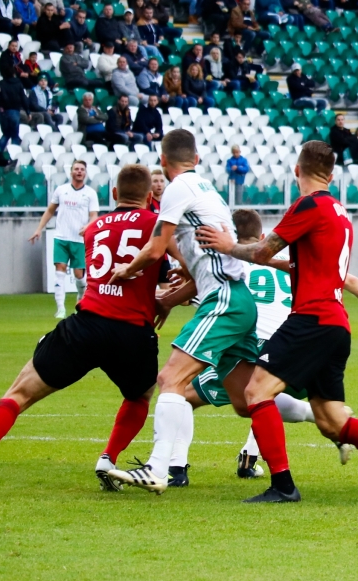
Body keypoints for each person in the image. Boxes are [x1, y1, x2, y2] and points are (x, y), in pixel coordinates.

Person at [185, 140, 358, 503]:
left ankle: (282, 485)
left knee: (256, 392)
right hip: (335, 324)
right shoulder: (338, 212)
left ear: (297, 170)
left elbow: (261, 250)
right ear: (332, 174)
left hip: (311, 320)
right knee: (332, 422)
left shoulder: (308, 205)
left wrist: (227, 246)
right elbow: (315, 269)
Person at [0, 166, 168, 491]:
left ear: (113, 194)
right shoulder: (156, 226)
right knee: (140, 395)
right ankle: (108, 459)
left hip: (87, 324)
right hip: (133, 334)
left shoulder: (93, 227)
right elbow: (164, 273)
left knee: (19, 393)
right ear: (151, 196)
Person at [103, 129, 256, 495]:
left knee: (170, 379)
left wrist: (126, 270)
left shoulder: (176, 189)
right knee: (248, 398)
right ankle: (320, 418)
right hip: (238, 298)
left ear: (162, 161)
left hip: (224, 300)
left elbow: (156, 248)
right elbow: (201, 257)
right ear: (198, 159)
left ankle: (157, 468)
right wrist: (174, 295)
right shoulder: (208, 190)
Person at [29, 160, 100, 318]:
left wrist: (88, 226)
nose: (79, 171)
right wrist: (39, 229)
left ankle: (80, 303)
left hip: (79, 240)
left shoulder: (90, 193)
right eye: (76, 169)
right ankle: (60, 308)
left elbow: (94, 215)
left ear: (85, 173)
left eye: (82, 169)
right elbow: (50, 210)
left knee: (79, 277)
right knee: (59, 270)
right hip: (61, 237)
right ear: (71, 172)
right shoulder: (61, 190)